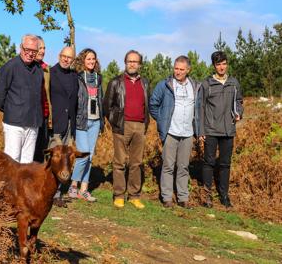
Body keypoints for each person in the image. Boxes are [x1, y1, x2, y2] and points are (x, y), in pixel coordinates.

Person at [149, 56, 202, 208]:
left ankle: (183, 198)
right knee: (168, 166)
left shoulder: (195, 86)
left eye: (181, 69)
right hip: (171, 132)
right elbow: (153, 104)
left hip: (188, 133)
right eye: (176, 68)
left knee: (184, 166)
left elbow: (198, 109)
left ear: (188, 70)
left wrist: (198, 129)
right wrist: (162, 120)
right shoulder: (165, 85)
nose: (178, 72)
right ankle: (166, 198)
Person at [103, 50, 150, 209]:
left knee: (136, 163)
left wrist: (145, 124)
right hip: (122, 125)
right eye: (129, 61)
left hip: (140, 125)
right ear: (125, 63)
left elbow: (147, 105)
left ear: (140, 64)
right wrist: (115, 123)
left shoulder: (145, 83)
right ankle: (119, 195)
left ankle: (134, 196)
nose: (132, 64)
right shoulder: (116, 82)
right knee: (119, 162)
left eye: (135, 61)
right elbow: (107, 106)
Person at [200, 51, 243, 208]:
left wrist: (239, 113)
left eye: (224, 63)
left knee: (225, 164)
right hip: (210, 130)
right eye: (218, 64)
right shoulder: (207, 84)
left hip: (228, 130)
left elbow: (239, 101)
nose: (221, 67)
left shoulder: (234, 83)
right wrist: (201, 130)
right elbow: (201, 107)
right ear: (214, 65)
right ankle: (207, 196)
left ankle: (224, 196)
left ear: (227, 64)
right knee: (209, 163)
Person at [0, 34, 43, 163]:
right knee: (12, 160)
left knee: (27, 162)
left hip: (33, 123)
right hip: (14, 124)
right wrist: (11, 109)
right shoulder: (10, 67)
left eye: (34, 51)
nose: (30, 54)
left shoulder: (38, 69)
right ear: (21, 47)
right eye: (27, 50)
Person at [68, 48, 104, 202]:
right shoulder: (77, 78)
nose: (91, 61)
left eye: (93, 59)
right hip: (81, 120)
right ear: (83, 60)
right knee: (83, 154)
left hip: (95, 121)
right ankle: (73, 186)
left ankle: (84, 189)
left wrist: (102, 121)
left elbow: (101, 99)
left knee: (89, 156)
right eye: (88, 58)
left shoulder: (98, 78)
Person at [49, 46, 78, 207]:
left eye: (70, 58)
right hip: (55, 122)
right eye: (64, 56)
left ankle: (58, 193)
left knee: (64, 161)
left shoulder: (74, 76)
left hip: (69, 123)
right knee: (54, 159)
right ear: (59, 56)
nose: (66, 59)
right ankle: (50, 192)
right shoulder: (50, 74)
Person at [33, 36, 51, 163]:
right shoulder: (28, 67)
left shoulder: (47, 69)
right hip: (31, 116)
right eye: (40, 47)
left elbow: (49, 94)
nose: (43, 51)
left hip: (44, 116)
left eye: (44, 48)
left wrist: (50, 117)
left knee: (41, 151)